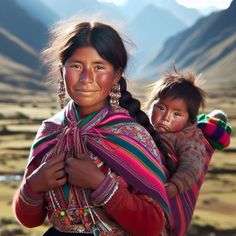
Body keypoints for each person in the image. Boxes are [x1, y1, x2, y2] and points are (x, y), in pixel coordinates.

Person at [12, 20, 170, 236]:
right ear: (62, 71)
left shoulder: (132, 135)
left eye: (99, 67)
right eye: (76, 66)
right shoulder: (50, 132)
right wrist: (33, 186)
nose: (86, 78)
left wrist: (99, 183)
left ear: (116, 75)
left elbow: (152, 224)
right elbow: (29, 220)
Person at [146, 70, 231, 235]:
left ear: (189, 120)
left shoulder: (188, 138)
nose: (166, 118)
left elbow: (192, 165)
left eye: (177, 114)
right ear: (151, 106)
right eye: (161, 108)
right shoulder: (141, 126)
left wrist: (176, 185)